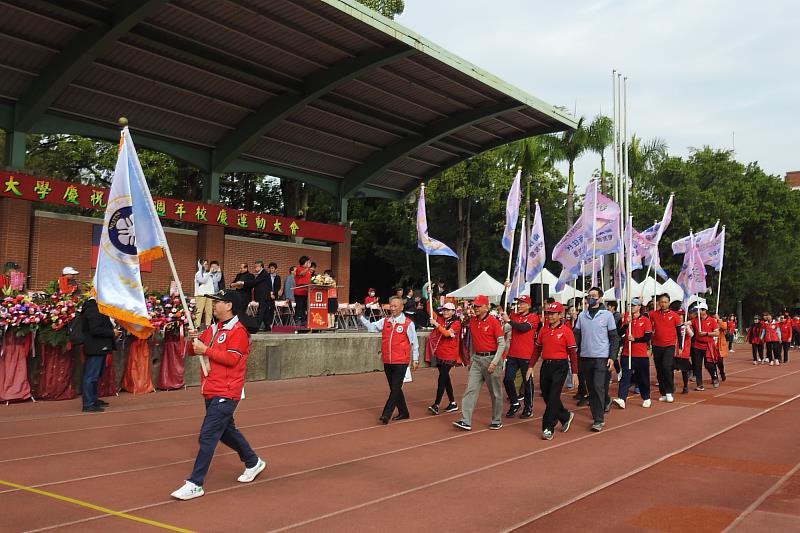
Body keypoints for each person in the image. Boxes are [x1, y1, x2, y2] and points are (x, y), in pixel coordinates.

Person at [171, 289, 266, 501]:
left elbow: (231, 360)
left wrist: (205, 349)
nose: (214, 305)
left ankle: (195, 483)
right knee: (225, 431)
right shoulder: (213, 328)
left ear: (229, 305)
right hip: (211, 389)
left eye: (218, 302)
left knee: (208, 435)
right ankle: (253, 461)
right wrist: (192, 341)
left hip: (227, 390)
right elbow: (193, 351)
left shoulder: (238, 331)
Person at [355, 297, 419, 423]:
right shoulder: (385, 321)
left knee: (395, 388)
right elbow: (371, 327)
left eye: (395, 306)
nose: (393, 308)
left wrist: (415, 359)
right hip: (388, 360)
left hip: (401, 361)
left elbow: (414, 343)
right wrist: (360, 316)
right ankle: (404, 412)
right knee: (395, 388)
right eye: (391, 306)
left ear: (401, 307)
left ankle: (386, 414)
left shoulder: (407, 323)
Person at [453, 294, 506, 431]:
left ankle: (496, 420)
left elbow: (502, 344)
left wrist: (494, 362)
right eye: (474, 306)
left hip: (491, 359)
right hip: (476, 359)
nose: (475, 308)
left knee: (495, 393)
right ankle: (465, 420)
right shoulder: (472, 321)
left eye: (478, 306)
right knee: (470, 389)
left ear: (486, 307)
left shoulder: (494, 322)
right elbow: (461, 322)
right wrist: (471, 359)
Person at [526, 301, 577, 440]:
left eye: (553, 314)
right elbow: (537, 349)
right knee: (547, 396)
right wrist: (531, 366)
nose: (550, 316)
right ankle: (565, 416)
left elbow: (572, 353)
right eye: (549, 313)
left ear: (560, 315)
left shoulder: (567, 331)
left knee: (554, 396)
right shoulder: (543, 329)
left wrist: (574, 373)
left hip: (560, 367)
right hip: (546, 366)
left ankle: (548, 427)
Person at [573, 287, 619, 432]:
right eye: (589, 295)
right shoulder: (582, 316)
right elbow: (577, 335)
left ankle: (598, 419)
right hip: (585, 357)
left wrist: (612, 357)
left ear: (599, 298)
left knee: (598, 386)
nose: (590, 298)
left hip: (601, 357)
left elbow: (614, 338)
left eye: (593, 296)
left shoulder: (607, 315)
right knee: (592, 388)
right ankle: (604, 402)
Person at [499, 294, 539, 419]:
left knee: (527, 382)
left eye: (522, 303)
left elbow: (523, 328)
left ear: (529, 305)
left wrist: (509, 321)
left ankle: (528, 407)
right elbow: (503, 303)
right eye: (518, 303)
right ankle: (515, 403)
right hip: (513, 354)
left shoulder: (533, 318)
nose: (519, 305)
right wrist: (506, 289)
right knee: (507, 379)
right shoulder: (514, 315)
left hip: (526, 355)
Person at [612, 298, 653, 409]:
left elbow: (647, 337)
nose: (631, 307)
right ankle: (621, 398)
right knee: (625, 376)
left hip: (640, 355)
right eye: (630, 305)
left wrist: (635, 339)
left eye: (634, 305)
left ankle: (646, 397)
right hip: (627, 354)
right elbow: (619, 333)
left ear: (639, 307)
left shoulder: (645, 320)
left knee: (643, 378)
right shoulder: (626, 317)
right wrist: (626, 324)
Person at [80, 296, 117, 412]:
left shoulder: (96, 308)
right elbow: (95, 329)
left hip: (99, 346)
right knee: (91, 375)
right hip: (95, 346)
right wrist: (112, 332)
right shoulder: (93, 309)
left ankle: (93, 399)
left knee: (95, 375)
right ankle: (88, 403)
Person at [427, 302, 460, 415]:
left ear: (453, 311)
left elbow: (446, 333)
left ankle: (436, 404)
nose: (445, 312)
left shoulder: (456, 323)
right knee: (446, 379)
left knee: (442, 378)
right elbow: (431, 312)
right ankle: (453, 402)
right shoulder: (441, 319)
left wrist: (436, 324)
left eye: (448, 310)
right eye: (444, 310)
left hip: (450, 355)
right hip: (440, 353)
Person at [650, 294, 682, 403]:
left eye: (665, 302)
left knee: (666, 368)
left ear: (669, 303)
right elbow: (642, 315)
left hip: (669, 346)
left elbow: (679, 332)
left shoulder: (675, 316)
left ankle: (669, 391)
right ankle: (663, 392)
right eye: (661, 302)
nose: (663, 304)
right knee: (659, 370)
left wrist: (680, 347)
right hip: (656, 346)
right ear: (658, 303)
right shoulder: (653, 314)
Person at [689, 302, 720, 390]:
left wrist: (706, 333)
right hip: (696, 346)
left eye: (699, 310)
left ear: (704, 311)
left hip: (708, 346)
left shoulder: (712, 320)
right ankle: (699, 384)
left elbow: (717, 333)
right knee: (697, 365)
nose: (697, 311)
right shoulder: (695, 320)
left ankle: (715, 377)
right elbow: (689, 323)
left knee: (709, 365)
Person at [232, 261, 269, 333]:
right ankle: (267, 326)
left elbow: (254, 283)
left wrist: (243, 283)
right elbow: (233, 283)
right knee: (264, 311)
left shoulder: (263, 274)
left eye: (256, 267)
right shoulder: (239, 275)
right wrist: (234, 284)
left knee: (261, 311)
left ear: (260, 266)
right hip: (242, 295)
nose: (255, 268)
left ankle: (256, 326)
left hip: (261, 295)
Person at [194, 260, 215, 327]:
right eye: (205, 264)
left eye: (207, 264)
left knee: (209, 311)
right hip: (201, 294)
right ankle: (196, 326)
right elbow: (203, 280)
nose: (206, 266)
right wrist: (210, 273)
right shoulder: (198, 274)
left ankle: (208, 326)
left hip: (209, 294)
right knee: (199, 311)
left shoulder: (209, 274)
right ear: (201, 265)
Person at [293, 256, 312, 326]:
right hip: (299, 292)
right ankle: (297, 320)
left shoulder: (308, 271)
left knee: (305, 307)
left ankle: (304, 321)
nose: (309, 263)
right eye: (308, 262)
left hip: (306, 292)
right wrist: (307, 268)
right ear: (304, 262)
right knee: (299, 307)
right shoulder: (298, 268)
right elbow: (301, 274)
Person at [264, 262, 282, 330]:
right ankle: (266, 325)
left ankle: (270, 324)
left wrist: (274, 294)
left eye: (272, 268)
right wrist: (269, 294)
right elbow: (265, 286)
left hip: (274, 296)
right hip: (267, 295)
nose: (271, 269)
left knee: (272, 310)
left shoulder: (278, 277)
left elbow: (278, 287)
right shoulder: (266, 276)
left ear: (275, 269)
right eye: (270, 268)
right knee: (266, 310)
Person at [715, 313, 729, 381]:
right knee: (712, 362)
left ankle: (722, 372)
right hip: (712, 345)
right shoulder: (711, 322)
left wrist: (718, 319)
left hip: (720, 345)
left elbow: (724, 327)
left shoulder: (722, 322)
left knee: (720, 361)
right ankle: (714, 376)